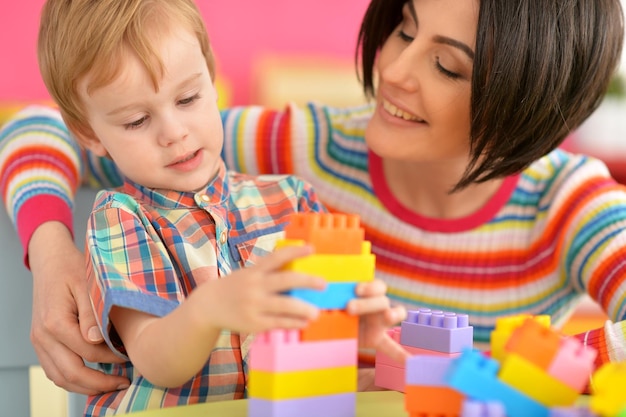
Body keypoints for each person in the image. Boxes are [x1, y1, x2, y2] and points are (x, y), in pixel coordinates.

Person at [1, 0, 625, 396]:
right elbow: (41, 124)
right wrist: (52, 252)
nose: (397, 71)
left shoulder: (567, 203)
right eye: (404, 29)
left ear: (530, 96)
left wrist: (570, 362)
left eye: (448, 67)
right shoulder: (309, 149)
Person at [24, 0, 407, 414]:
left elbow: (309, 360)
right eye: (137, 121)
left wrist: (357, 346)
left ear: (210, 72)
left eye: (188, 98)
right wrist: (208, 309)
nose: (174, 132)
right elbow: (155, 359)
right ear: (88, 133)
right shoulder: (120, 218)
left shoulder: (292, 200)